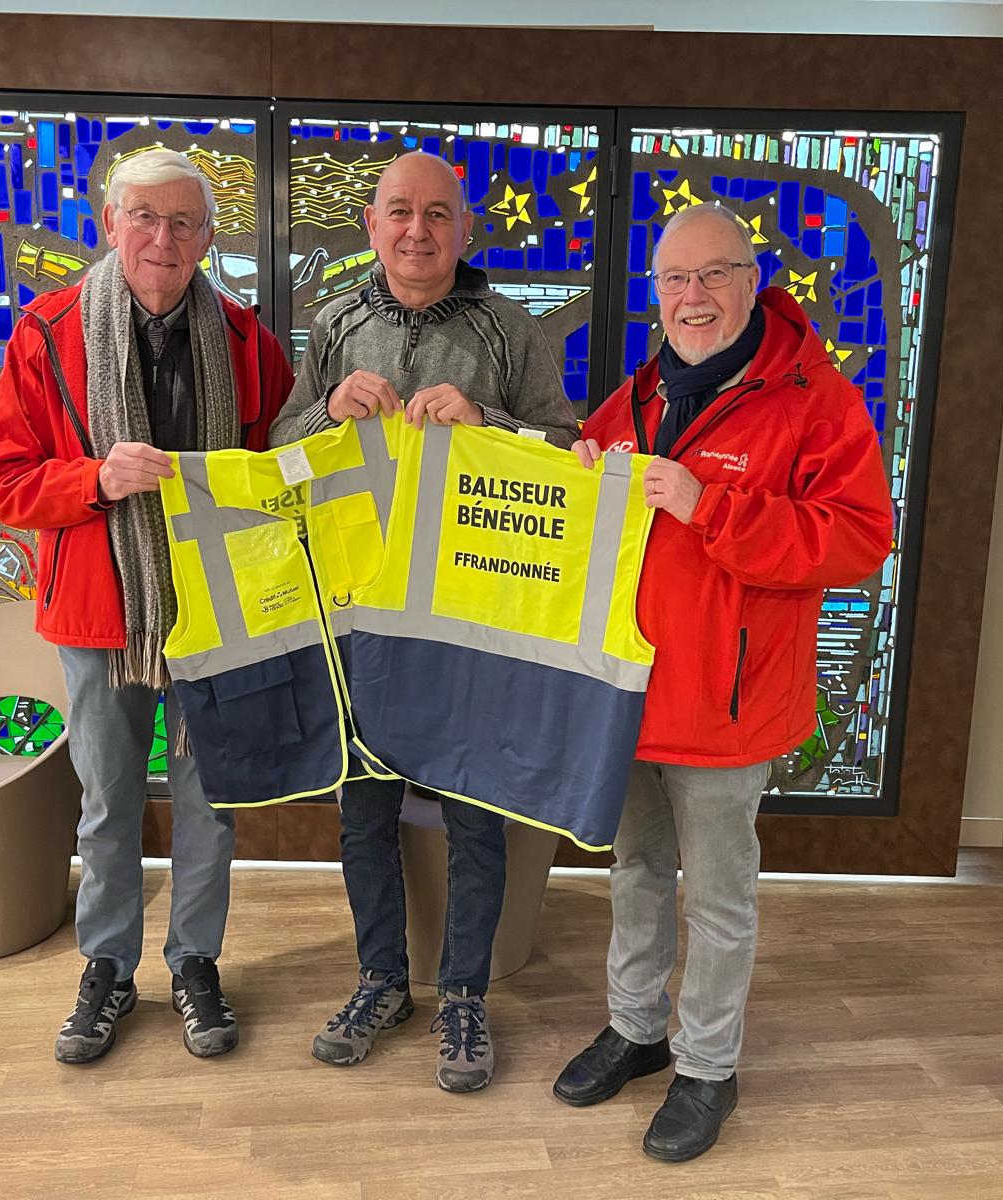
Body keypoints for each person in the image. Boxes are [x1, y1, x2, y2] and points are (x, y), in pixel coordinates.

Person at [552, 202, 893, 1159]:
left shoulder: (815, 400)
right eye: (674, 279)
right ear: (655, 292)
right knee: (634, 872)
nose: (692, 296)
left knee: (718, 898)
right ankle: (636, 1029)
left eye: (713, 275)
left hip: (730, 705)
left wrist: (712, 506)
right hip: (633, 695)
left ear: (752, 282)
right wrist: (579, 475)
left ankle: (708, 1067)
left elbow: (859, 539)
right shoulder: (637, 397)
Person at [0, 148, 293, 1065]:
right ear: (110, 224)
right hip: (97, 617)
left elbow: (278, 470)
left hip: (214, 613)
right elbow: (0, 480)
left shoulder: (247, 340)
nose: (163, 237)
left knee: (212, 802)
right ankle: (108, 968)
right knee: (108, 803)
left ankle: (195, 961)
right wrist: (96, 480)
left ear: (207, 237)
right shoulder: (47, 331)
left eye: (183, 221)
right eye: (144, 217)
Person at [269, 151, 580, 1093]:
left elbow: (567, 449)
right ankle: (380, 981)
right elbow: (278, 448)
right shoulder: (334, 324)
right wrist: (326, 411)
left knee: (474, 815)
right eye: (400, 211)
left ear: (464, 229)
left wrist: (488, 421)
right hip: (359, 615)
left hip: (468, 618)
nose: (418, 230)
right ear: (372, 226)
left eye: (438, 213)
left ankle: (465, 995)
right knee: (363, 811)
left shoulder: (509, 329)